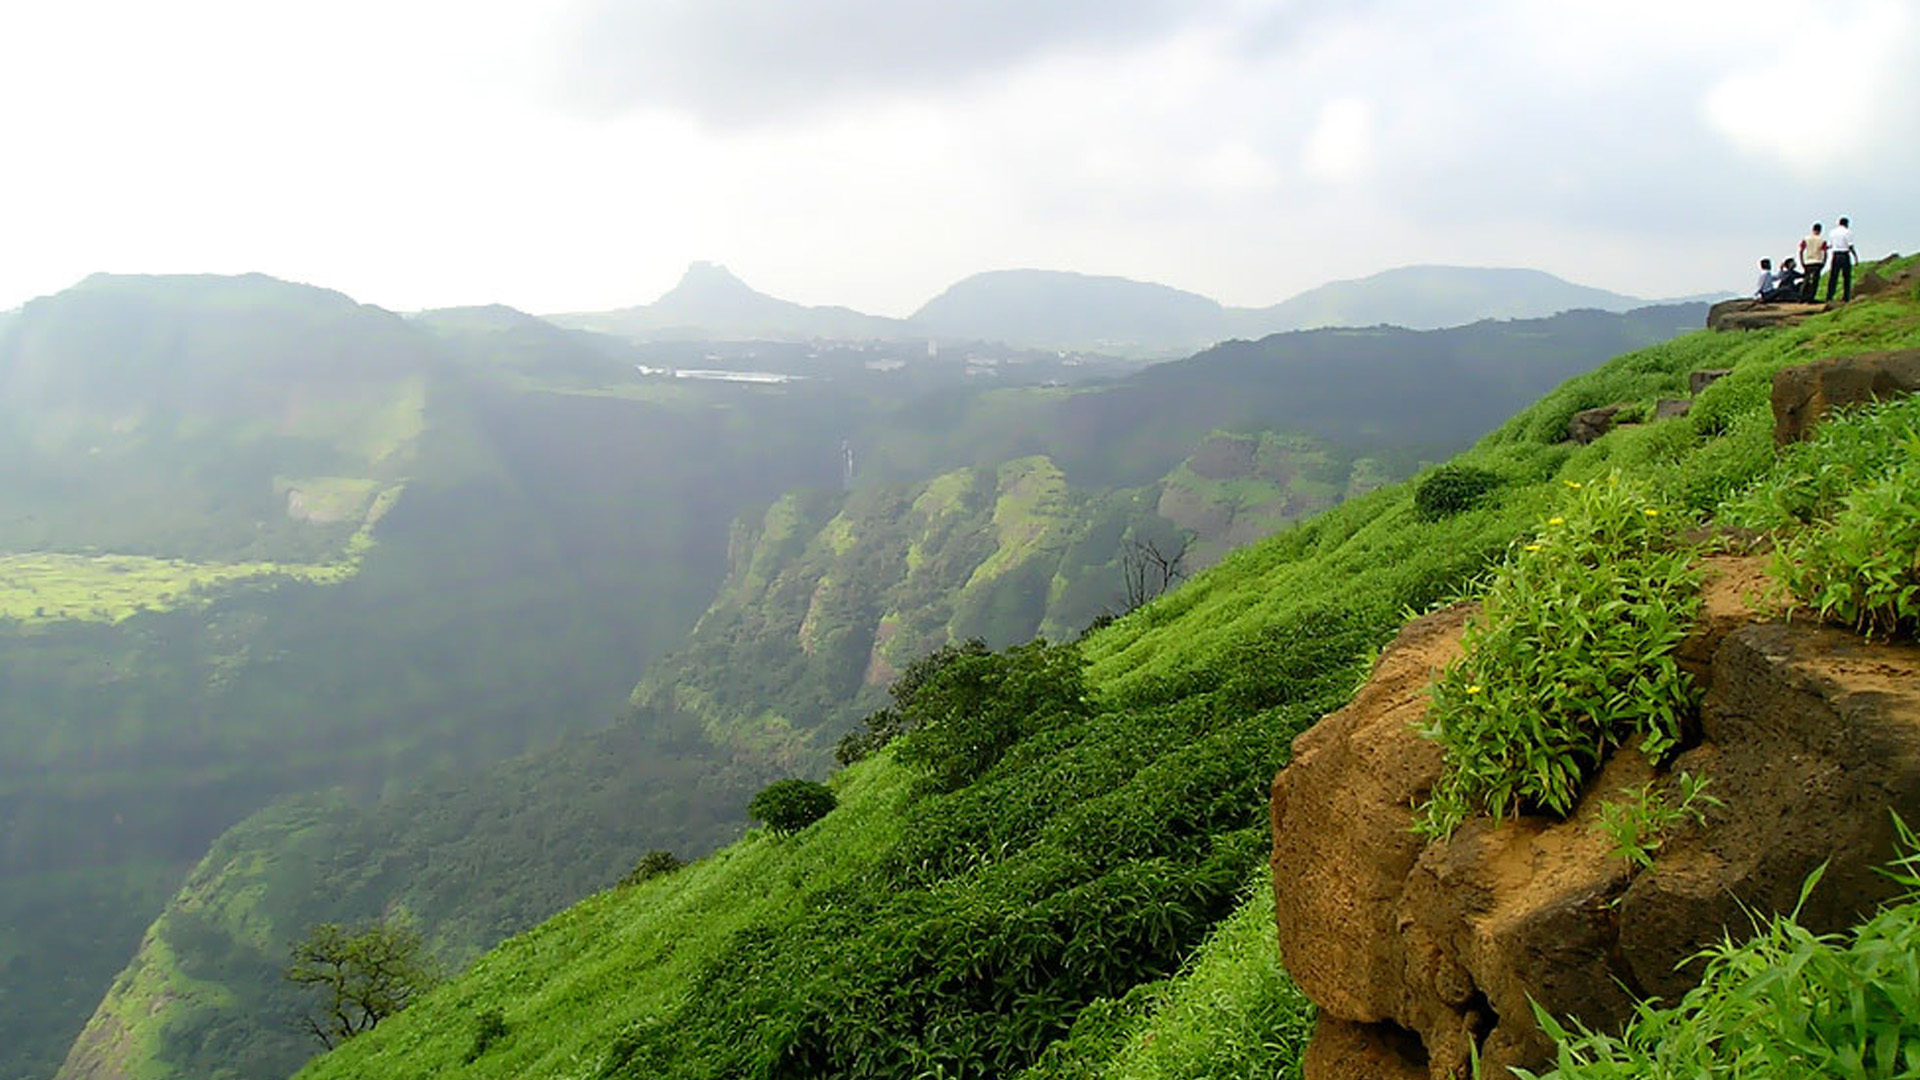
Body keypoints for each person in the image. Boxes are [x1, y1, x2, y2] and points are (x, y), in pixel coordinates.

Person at [1826, 216, 1855, 302]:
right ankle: (1846, 297)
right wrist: (1855, 256)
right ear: (1847, 224)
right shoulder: (1848, 232)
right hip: (1844, 254)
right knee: (1846, 277)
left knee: (1833, 276)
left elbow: (1830, 245)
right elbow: (1850, 246)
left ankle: (1829, 296)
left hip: (1835, 255)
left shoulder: (1832, 232)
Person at [1798, 223, 1828, 302]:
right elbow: (1825, 252)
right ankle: (1810, 298)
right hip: (1817, 262)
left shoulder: (1806, 239)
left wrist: (1802, 261)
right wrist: (1824, 262)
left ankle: (1801, 297)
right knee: (1815, 281)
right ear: (1820, 230)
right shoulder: (1822, 240)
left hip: (1808, 261)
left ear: (1812, 229)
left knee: (1806, 279)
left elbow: (1801, 250)